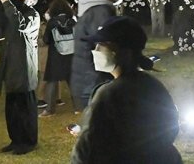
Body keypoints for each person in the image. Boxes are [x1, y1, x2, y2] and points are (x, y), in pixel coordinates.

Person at [70, 16, 182, 164]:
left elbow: (87, 150)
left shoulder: (109, 94)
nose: (96, 50)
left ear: (119, 50)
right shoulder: (153, 86)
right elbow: (170, 129)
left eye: (102, 44)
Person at [0, 0, 40, 155]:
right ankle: (15, 139)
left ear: (32, 0)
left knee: (25, 109)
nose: (18, 0)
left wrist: (7, 2)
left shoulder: (33, 15)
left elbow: (19, 22)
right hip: (10, 67)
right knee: (11, 109)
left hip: (24, 69)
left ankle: (28, 141)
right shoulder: (13, 14)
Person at [71, 0, 123, 110]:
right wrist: (122, 75)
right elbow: (104, 49)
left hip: (85, 80)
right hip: (96, 83)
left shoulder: (89, 9)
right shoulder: (101, 11)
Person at [40, 0, 76, 116]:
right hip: (71, 55)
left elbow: (46, 39)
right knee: (72, 81)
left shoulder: (52, 22)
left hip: (56, 55)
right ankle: (78, 107)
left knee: (52, 81)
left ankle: (50, 110)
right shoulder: (72, 21)